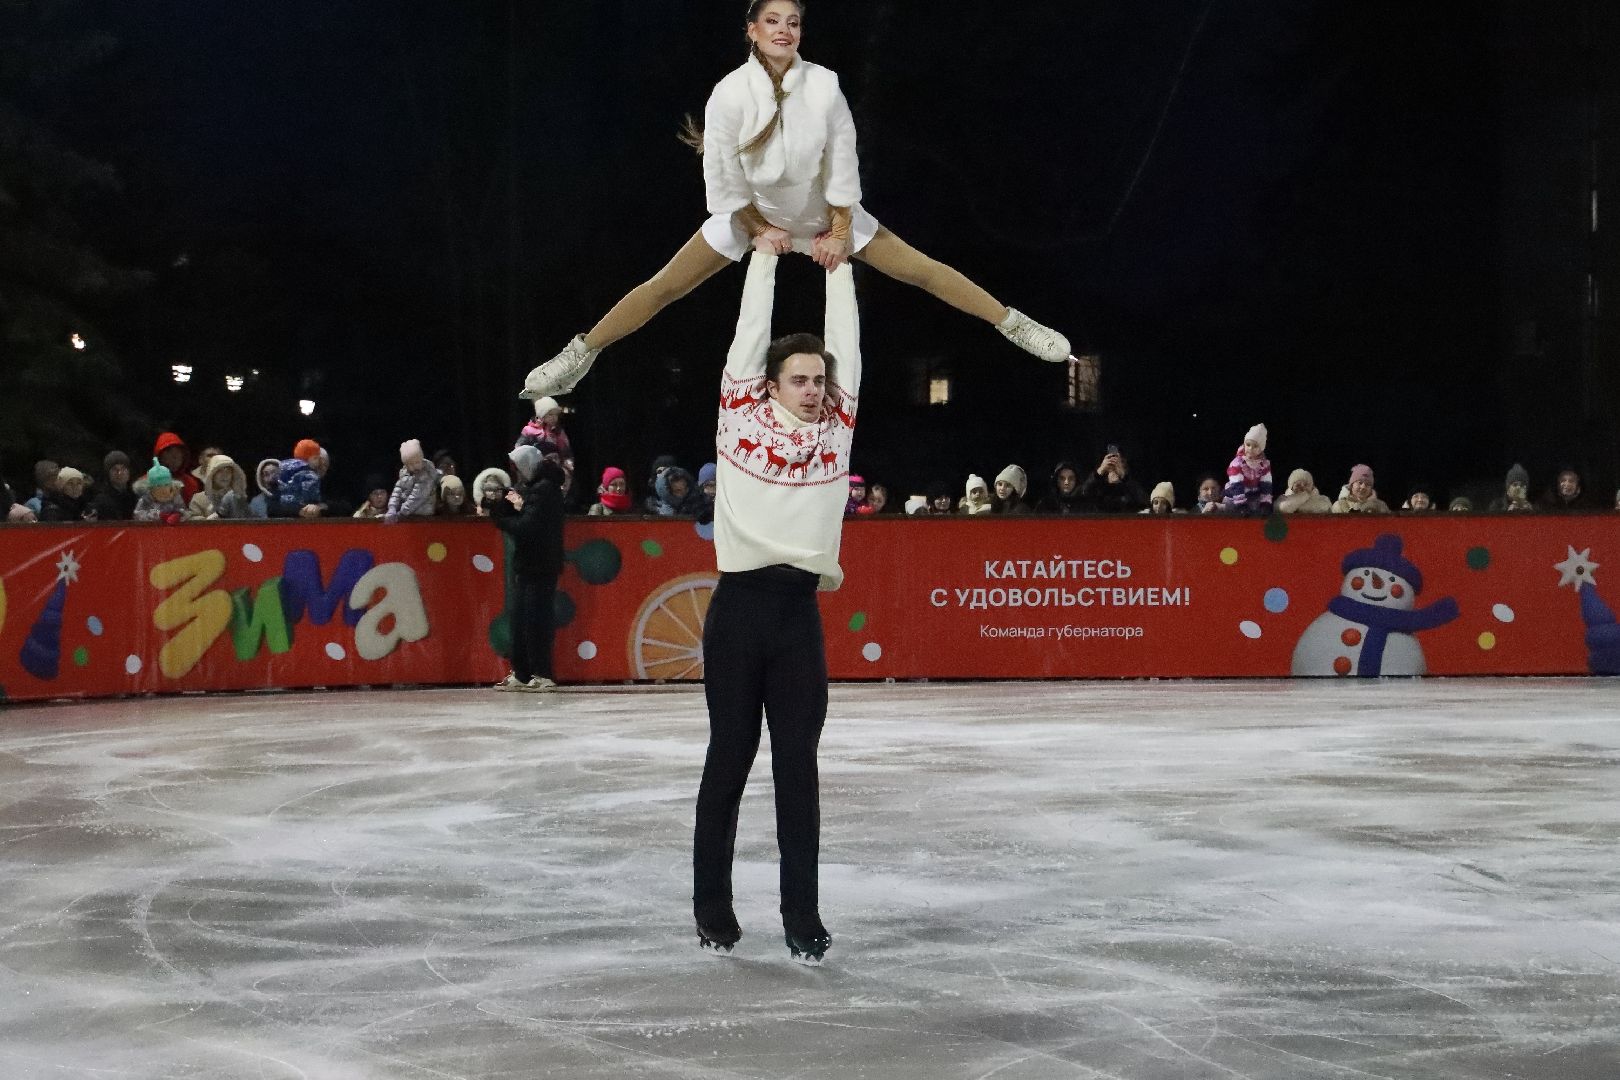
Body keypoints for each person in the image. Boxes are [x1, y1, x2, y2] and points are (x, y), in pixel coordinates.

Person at [519, 0, 1070, 403]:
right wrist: (758, 229)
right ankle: (580, 354)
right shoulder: (729, 94)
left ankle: (1014, 324)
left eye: (794, 22)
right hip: (751, 217)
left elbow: (843, 162)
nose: (785, 30)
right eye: (774, 21)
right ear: (752, 30)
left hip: (826, 214)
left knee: (923, 271)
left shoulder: (825, 86)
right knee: (664, 287)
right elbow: (726, 182)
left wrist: (836, 229)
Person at [688, 249, 862, 964]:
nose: (815, 388)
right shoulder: (738, 415)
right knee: (729, 760)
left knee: (797, 766)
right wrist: (762, 257)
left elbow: (845, 339)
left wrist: (838, 266)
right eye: (800, 379)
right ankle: (712, 912)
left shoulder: (838, 427)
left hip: (798, 618)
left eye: (820, 379)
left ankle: (802, 916)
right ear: (770, 385)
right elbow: (746, 331)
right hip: (738, 613)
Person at [491, 445, 565, 693]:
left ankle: (543, 673)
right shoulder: (534, 489)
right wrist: (506, 504)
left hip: (541, 565)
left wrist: (502, 519)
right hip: (528, 565)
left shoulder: (545, 490)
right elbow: (524, 514)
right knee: (520, 620)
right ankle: (522, 673)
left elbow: (528, 527)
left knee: (536, 621)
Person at [1222, 423, 1273, 516]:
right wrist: (1241, 505)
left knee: (1259, 510)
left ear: (1261, 449)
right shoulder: (1237, 463)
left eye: (1255, 446)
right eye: (1248, 444)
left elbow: (1266, 485)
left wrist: (1266, 503)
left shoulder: (1264, 464)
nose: (1250, 448)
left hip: (1253, 496)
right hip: (1235, 497)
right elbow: (1236, 485)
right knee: (1231, 508)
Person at [385, 440, 440, 523]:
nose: (414, 466)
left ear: (421, 459)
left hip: (423, 515)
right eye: (410, 464)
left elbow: (417, 497)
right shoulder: (404, 473)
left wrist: (401, 513)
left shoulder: (426, 474)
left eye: (417, 462)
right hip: (407, 514)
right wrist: (392, 507)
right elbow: (397, 489)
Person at [1081, 446, 1147, 513]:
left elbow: (1142, 501)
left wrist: (1123, 476)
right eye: (1110, 460)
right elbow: (1083, 494)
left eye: (1119, 461)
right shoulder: (1097, 485)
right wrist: (1100, 471)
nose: (1114, 464)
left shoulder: (1130, 485)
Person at [273, 440, 328, 519]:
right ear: (306, 459)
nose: (319, 462)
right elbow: (310, 491)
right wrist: (312, 503)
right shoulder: (309, 474)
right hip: (301, 512)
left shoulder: (283, 470)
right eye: (316, 458)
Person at [142, 433, 201, 502]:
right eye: (169, 452)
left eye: (178, 453)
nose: (174, 458)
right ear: (160, 457)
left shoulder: (190, 484)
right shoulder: (146, 482)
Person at [188, 455, 251, 520]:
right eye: (219, 471)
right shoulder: (199, 499)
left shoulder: (238, 498)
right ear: (212, 474)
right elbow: (192, 522)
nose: (225, 475)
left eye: (228, 471)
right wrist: (207, 520)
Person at [91, 451, 138, 521]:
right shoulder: (101, 500)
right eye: (114, 469)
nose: (119, 473)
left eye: (123, 468)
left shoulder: (136, 498)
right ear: (108, 474)